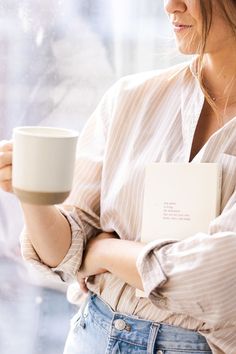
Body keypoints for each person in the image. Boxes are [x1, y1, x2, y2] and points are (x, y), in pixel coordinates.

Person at [0, 0, 236, 353]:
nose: (171, 5)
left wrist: (105, 252)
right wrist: (33, 196)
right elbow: (65, 252)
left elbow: (214, 278)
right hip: (91, 334)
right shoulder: (130, 98)